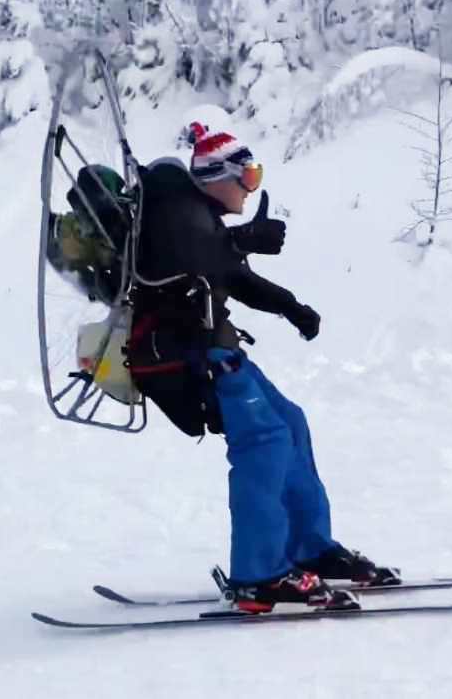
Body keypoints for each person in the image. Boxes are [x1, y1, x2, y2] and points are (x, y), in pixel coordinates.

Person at [128, 123, 398, 614]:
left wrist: (292, 308)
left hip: (216, 349)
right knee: (263, 442)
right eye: (247, 177)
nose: (251, 188)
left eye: (256, 176)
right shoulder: (173, 210)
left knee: (289, 424)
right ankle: (259, 575)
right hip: (184, 355)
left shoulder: (199, 217)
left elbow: (232, 275)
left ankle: (309, 549)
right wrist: (246, 238)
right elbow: (198, 256)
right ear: (218, 177)